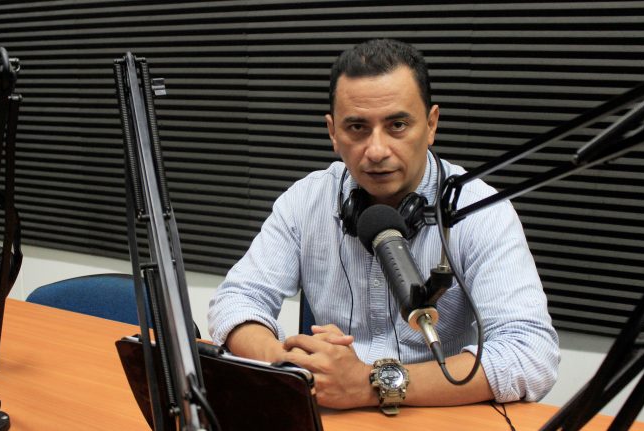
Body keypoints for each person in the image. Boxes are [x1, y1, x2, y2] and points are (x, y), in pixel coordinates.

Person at [208, 38, 559, 412]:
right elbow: (236, 301)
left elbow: (530, 353)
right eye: (357, 127)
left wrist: (370, 383)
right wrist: (290, 367)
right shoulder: (306, 200)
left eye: (397, 125)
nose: (376, 151)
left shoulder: (478, 210)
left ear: (431, 124)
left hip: (436, 413)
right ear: (333, 132)